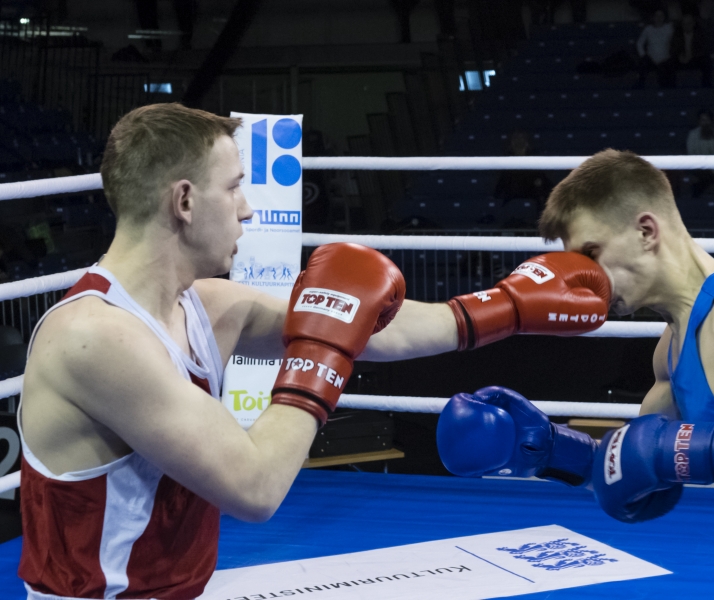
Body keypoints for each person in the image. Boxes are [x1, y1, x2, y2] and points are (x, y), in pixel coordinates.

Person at [17, 103, 611, 598]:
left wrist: (502, 308)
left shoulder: (206, 305)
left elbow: (362, 327)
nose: (247, 208)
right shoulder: (96, 337)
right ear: (185, 201)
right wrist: (319, 358)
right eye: (233, 187)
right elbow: (254, 487)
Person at [436, 149, 714, 598]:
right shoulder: (669, 350)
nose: (584, 279)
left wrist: (673, 450)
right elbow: (635, 466)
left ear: (646, 231)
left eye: (592, 254)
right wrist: (552, 451)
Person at [686, 109, 714, 197]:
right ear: (699, 121)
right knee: (705, 174)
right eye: (703, 120)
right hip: (697, 165)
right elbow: (690, 152)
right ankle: (699, 189)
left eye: (707, 120)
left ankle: (698, 187)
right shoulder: (693, 134)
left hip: (713, 165)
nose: (705, 122)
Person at [635, 9, 676, 89]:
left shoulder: (669, 28)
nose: (659, 18)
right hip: (650, 59)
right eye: (657, 16)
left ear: (664, 17)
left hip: (666, 59)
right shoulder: (648, 29)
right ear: (653, 17)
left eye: (661, 16)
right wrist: (643, 56)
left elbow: (675, 41)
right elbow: (639, 43)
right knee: (642, 66)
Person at [671, 13, 712, 87]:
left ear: (693, 23)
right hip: (681, 59)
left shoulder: (700, 34)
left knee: (706, 62)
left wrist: (691, 55)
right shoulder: (677, 35)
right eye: (684, 24)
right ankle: (671, 89)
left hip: (695, 59)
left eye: (689, 23)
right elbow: (673, 49)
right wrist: (680, 56)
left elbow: (703, 49)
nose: (687, 26)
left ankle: (706, 87)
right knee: (669, 64)